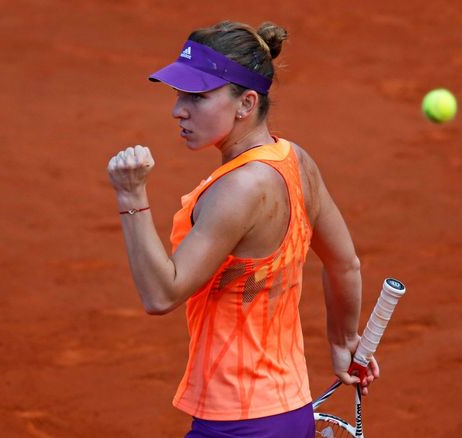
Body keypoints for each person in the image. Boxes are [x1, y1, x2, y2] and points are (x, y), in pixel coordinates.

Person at [106, 20, 379, 438]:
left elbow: (160, 295)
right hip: (289, 409)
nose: (179, 109)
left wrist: (131, 197)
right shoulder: (295, 161)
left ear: (246, 103)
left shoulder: (239, 189)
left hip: (238, 423)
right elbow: (345, 263)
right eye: (180, 94)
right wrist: (343, 341)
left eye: (197, 97)